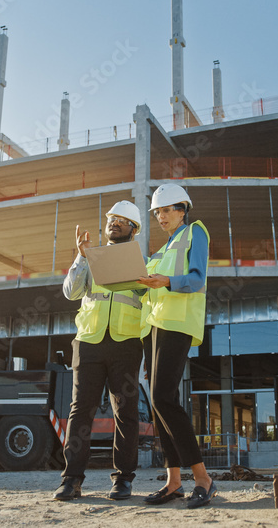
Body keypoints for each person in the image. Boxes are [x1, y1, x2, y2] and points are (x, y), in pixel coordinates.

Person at [53, 200, 148, 501]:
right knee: (81, 411)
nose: (114, 223)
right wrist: (81, 258)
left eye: (122, 220)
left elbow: (148, 295)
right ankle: (71, 480)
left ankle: (123, 480)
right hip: (89, 342)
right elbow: (70, 292)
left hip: (127, 343)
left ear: (133, 229)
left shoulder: (141, 262)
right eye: (111, 219)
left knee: (126, 413)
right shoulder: (89, 259)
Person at [137, 183, 216, 509]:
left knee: (162, 398)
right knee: (158, 404)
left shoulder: (195, 232)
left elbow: (196, 279)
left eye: (167, 210)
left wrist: (166, 281)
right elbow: (152, 291)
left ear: (183, 209)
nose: (161, 217)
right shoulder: (161, 250)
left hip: (177, 324)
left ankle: (203, 479)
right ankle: (174, 482)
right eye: (157, 212)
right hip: (154, 328)